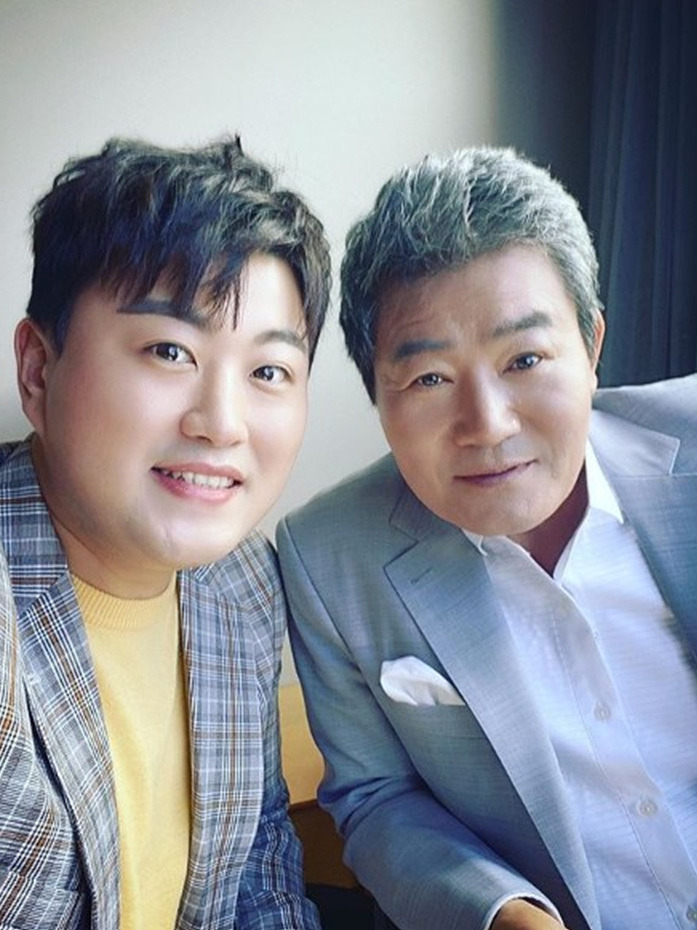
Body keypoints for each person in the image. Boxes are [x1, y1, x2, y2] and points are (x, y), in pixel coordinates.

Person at [276, 146, 697, 930]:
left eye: (525, 359)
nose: (486, 425)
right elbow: (378, 798)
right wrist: (504, 915)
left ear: (591, 346)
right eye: (429, 379)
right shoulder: (329, 555)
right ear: (377, 393)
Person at [0, 136, 331, 929]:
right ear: (39, 371)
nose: (222, 423)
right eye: (169, 350)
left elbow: (257, 861)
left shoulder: (243, 581)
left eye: (268, 371)